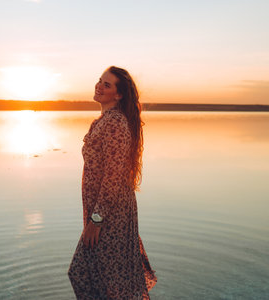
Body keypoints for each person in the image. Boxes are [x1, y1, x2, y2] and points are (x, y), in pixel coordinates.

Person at [68, 66, 157, 299]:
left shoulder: (115, 123)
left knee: (92, 275)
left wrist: (97, 220)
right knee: (98, 275)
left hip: (111, 214)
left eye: (107, 84)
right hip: (101, 212)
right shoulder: (103, 121)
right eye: (99, 81)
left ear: (119, 94)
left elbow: (114, 176)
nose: (99, 85)